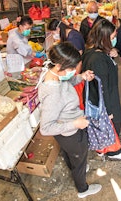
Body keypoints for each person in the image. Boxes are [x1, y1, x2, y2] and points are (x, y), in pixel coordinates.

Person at [38, 42, 101, 199]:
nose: (74, 71)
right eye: (72, 69)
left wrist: (81, 77)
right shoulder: (52, 93)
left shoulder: (54, 74)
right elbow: (45, 128)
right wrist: (75, 124)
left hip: (65, 131)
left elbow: (66, 83)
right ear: (60, 65)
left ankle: (76, 167)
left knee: (71, 154)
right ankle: (82, 189)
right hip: (69, 132)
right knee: (79, 157)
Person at [82, 19, 121, 160]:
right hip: (106, 100)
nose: (114, 40)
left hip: (102, 97)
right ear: (104, 38)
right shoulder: (98, 60)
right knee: (109, 125)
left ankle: (102, 149)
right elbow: (102, 88)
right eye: (113, 37)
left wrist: (110, 53)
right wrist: (108, 110)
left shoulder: (93, 51)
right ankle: (113, 152)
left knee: (101, 126)